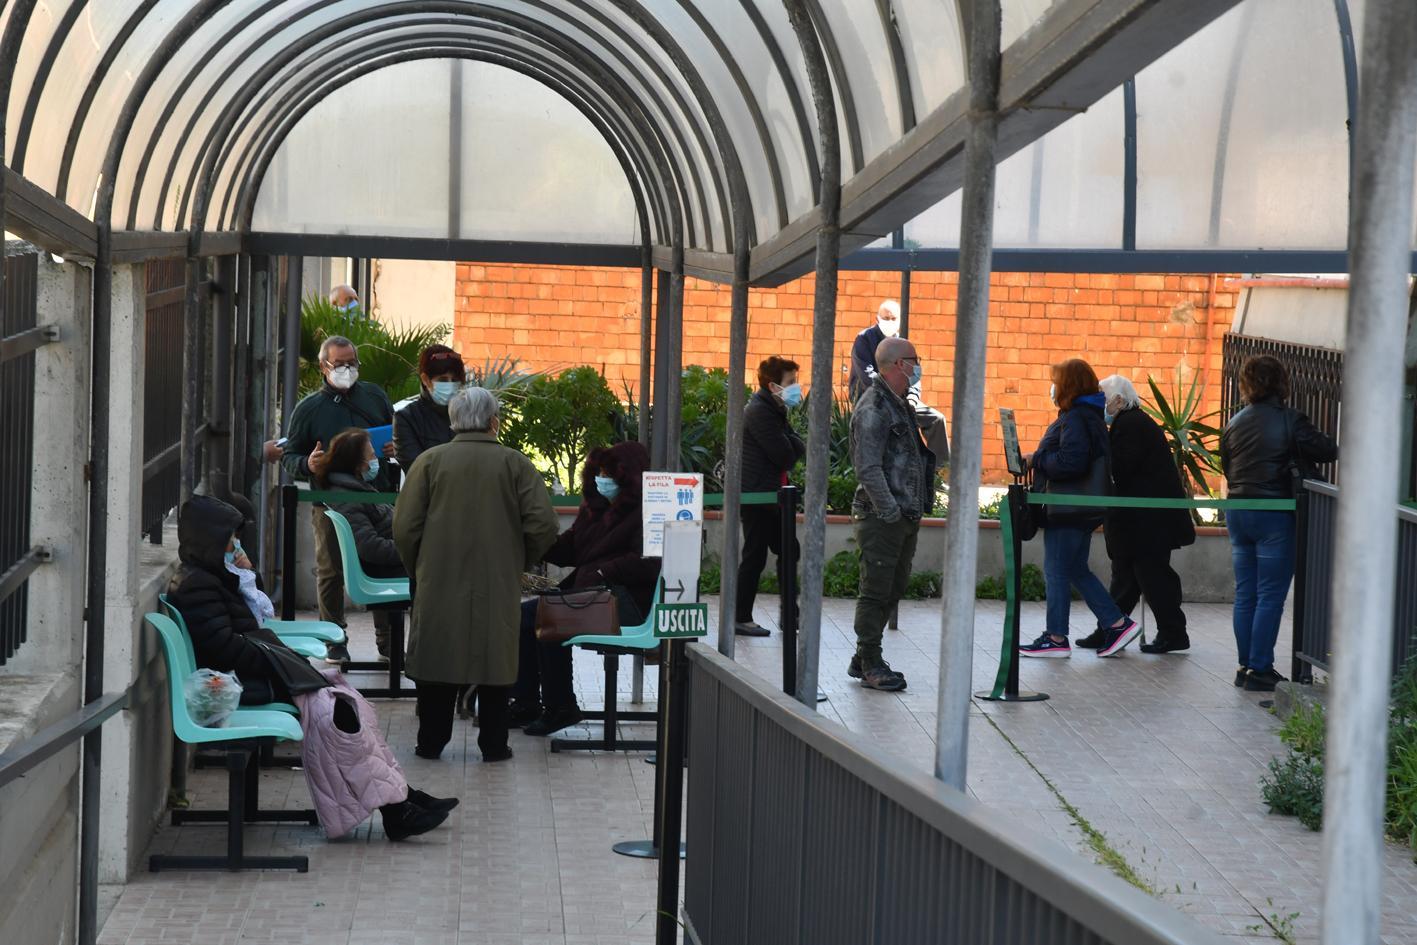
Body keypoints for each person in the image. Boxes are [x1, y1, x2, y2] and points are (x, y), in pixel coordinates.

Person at [168, 495, 456, 841]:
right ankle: (398, 808)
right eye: (231, 540)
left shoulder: (212, 576)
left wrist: (246, 576)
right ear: (212, 540)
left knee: (346, 706)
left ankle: (402, 798)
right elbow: (226, 648)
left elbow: (254, 620)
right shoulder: (199, 584)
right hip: (231, 686)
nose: (236, 546)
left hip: (246, 675)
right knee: (338, 714)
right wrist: (282, 663)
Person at [393, 388, 560, 761]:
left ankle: (431, 742)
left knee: (437, 655)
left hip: (437, 579)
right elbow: (544, 525)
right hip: (496, 579)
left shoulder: (429, 462)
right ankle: (494, 744)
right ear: (493, 421)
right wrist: (517, 559)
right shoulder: (514, 464)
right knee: (494, 657)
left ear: (453, 421)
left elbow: (404, 528)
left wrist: (419, 565)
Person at [512, 441, 662, 736]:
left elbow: (649, 562)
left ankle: (561, 706)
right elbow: (571, 547)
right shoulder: (596, 508)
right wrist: (536, 543)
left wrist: (604, 570)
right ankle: (528, 702)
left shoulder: (648, 512)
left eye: (609, 474)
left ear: (627, 476)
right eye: (599, 473)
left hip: (627, 604)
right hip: (596, 597)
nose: (601, 480)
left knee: (548, 618)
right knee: (526, 616)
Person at [1220, 355, 1337, 692]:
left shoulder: (1234, 422)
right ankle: (1260, 668)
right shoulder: (1290, 420)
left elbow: (1227, 465)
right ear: (1282, 382)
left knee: (1246, 594)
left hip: (1238, 511)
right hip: (1274, 512)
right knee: (1270, 596)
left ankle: (1246, 666)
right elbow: (1327, 449)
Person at [280, 335, 396, 665]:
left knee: (383, 564)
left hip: (377, 496)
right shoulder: (309, 408)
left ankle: (387, 641)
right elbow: (291, 455)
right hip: (329, 501)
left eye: (352, 363)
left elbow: (394, 436)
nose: (347, 369)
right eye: (340, 364)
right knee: (330, 570)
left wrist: (392, 448)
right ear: (324, 367)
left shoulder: (374, 396)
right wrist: (307, 464)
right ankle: (334, 638)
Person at [1020, 359, 1140, 659]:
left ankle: (1056, 636)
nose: (1055, 387)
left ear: (1068, 385)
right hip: (1081, 507)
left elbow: (1071, 461)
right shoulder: (1090, 415)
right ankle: (1116, 623)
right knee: (1075, 568)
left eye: (1058, 381)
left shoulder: (1075, 418)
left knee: (1056, 570)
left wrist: (1038, 460)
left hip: (1068, 507)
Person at [1083, 375, 1196, 654]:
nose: (1103, 407)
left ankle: (1172, 633)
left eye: (1105, 400)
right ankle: (1110, 628)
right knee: (1127, 577)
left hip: (1147, 522)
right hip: (1144, 520)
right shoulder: (1133, 423)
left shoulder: (1130, 425)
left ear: (1120, 400)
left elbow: (1122, 467)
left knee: (1152, 576)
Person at [848, 336, 935, 691]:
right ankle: (870, 660)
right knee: (876, 589)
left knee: (893, 587)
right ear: (900, 365)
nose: (918, 367)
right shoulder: (875, 408)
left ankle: (863, 656)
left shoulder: (899, 403)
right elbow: (868, 468)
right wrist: (890, 512)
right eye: (915, 360)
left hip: (902, 514)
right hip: (884, 515)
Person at [319, 428, 406, 661]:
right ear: (356, 463)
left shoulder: (356, 488)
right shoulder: (349, 495)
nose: (375, 460)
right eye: (371, 456)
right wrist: (412, 553)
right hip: (383, 570)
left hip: (388, 564)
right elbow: (370, 546)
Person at [733, 356, 805, 637]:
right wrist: (793, 444)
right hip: (757, 496)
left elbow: (793, 443)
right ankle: (741, 617)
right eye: (791, 382)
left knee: (788, 549)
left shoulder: (773, 409)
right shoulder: (760, 411)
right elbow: (786, 454)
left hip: (771, 495)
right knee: (755, 555)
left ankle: (790, 614)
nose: (796, 387)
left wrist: (793, 443)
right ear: (774, 386)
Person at [394, 344, 465, 471]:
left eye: (455, 380)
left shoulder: (468, 413)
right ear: (425, 379)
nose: (450, 384)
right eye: (443, 380)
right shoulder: (407, 418)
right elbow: (415, 467)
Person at [848, 300, 900, 401]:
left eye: (894, 319)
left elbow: (912, 372)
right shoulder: (864, 339)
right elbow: (867, 375)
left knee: (935, 417)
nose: (890, 322)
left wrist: (912, 398)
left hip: (897, 398)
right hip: (868, 397)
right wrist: (891, 394)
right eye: (886, 318)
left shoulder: (902, 342)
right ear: (877, 319)